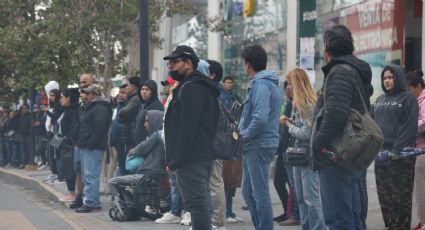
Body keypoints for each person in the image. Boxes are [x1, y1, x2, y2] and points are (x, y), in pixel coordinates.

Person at [311, 24, 374, 230]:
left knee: (338, 219)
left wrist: (317, 144)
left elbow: (336, 114)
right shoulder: (355, 71)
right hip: (349, 154)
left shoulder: (339, 72)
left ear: (328, 47)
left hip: (335, 154)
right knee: (352, 217)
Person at [163, 45, 219, 230]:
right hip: (198, 154)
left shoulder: (191, 88)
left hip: (192, 157)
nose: (171, 66)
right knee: (198, 203)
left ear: (188, 63)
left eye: (174, 62)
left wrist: (176, 159)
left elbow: (188, 127)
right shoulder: (196, 86)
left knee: (196, 204)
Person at [238, 45, 283, 230]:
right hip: (258, 144)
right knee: (247, 191)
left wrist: (243, 135)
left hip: (258, 144)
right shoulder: (268, 83)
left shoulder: (262, 85)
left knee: (260, 193)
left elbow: (260, 118)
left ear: (248, 65)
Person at [372, 65, 418, 229]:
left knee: (401, 200)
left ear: (398, 78)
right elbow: (373, 127)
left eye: (390, 77)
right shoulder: (379, 100)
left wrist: (395, 151)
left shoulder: (408, 98)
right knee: (385, 198)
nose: (387, 81)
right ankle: (389, 226)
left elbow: (410, 127)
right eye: (385, 78)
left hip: (400, 157)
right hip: (381, 156)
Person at [281, 68, 326, 230]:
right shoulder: (298, 103)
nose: (288, 87)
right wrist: (291, 120)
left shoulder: (308, 103)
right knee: (300, 197)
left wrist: (287, 125)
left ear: (298, 84)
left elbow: (305, 133)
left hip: (307, 156)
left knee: (310, 198)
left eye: (291, 83)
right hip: (298, 156)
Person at [108, 110, 165, 197]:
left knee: (112, 182)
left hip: (148, 174)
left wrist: (131, 152)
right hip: (148, 174)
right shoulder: (157, 137)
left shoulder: (157, 135)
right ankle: (127, 205)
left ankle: (121, 205)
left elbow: (140, 148)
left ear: (155, 121)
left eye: (147, 121)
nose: (145, 124)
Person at [75, 84, 112, 213]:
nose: (86, 95)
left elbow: (100, 128)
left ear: (94, 94)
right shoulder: (90, 107)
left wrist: (90, 143)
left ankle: (91, 203)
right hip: (86, 145)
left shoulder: (100, 108)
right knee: (88, 176)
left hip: (93, 147)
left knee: (91, 176)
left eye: (88, 93)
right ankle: (93, 201)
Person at [70, 73, 95, 209]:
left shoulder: (95, 99)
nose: (82, 84)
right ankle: (79, 196)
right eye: (81, 82)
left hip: (89, 143)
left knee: (89, 173)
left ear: (92, 82)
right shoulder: (79, 100)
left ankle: (90, 199)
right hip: (78, 141)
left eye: (85, 81)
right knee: (78, 170)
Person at [408, 71, 425, 230]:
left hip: (422, 151)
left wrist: (409, 127)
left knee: (421, 189)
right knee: (419, 189)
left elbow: (423, 122)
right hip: (418, 149)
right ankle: (421, 221)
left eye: (410, 89)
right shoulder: (417, 100)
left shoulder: (424, 100)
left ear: (418, 86)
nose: (409, 92)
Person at [57, 88, 80, 202]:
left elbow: (74, 127)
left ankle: (72, 193)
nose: (60, 100)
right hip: (62, 141)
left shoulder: (72, 111)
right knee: (64, 166)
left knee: (69, 168)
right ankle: (70, 192)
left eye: (62, 97)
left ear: (68, 98)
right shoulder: (65, 110)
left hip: (68, 144)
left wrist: (67, 139)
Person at [119, 76, 142, 152]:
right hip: (128, 136)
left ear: (133, 86)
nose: (126, 88)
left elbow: (122, 113)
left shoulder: (135, 99)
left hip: (132, 137)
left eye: (128, 85)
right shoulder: (130, 98)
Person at [110, 84, 128, 176]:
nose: (120, 95)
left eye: (123, 93)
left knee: (123, 171)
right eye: (120, 92)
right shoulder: (119, 106)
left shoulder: (128, 107)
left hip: (124, 145)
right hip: (117, 145)